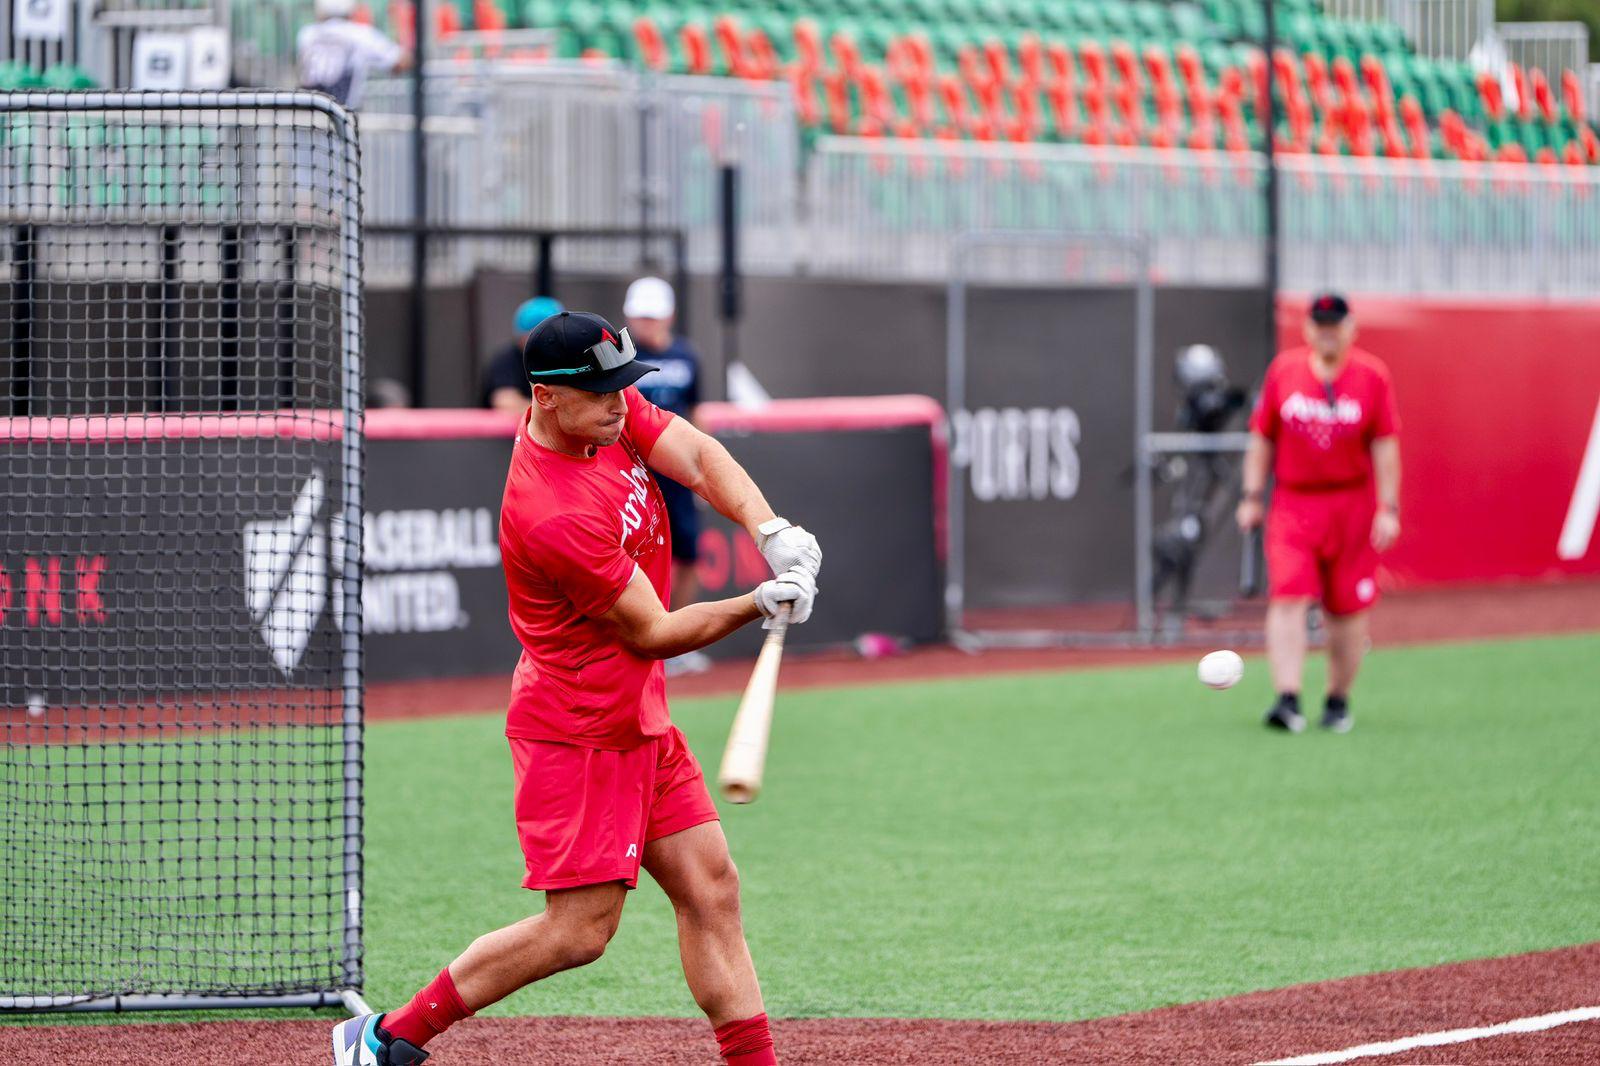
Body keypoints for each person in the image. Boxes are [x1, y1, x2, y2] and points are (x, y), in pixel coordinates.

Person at [333, 310, 823, 1066]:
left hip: (636, 715)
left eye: (624, 390)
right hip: (580, 730)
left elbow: (691, 451)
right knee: (578, 933)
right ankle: (388, 1037)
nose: (621, 406)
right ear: (546, 397)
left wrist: (769, 529)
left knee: (710, 886)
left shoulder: (604, 417)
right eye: (602, 395)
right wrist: (754, 603)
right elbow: (653, 632)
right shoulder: (551, 511)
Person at [1236, 293, 1401, 734]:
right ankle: (1287, 698)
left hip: (1350, 503)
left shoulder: (1371, 376)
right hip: (1295, 501)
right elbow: (1262, 437)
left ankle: (1337, 699)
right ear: (1308, 329)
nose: (1327, 331)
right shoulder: (1284, 372)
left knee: (1346, 610)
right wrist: (1252, 495)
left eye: (1335, 323)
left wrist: (1388, 507)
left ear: (1351, 328)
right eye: (1319, 323)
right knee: (1288, 596)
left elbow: (1385, 443)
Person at [623, 276, 710, 674]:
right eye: (641, 317)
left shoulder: (688, 356)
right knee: (633, 556)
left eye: (653, 316)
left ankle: (681, 640)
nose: (648, 324)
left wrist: (704, 469)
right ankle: (645, 636)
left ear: (669, 316)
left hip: (675, 471)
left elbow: (696, 413)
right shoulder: (618, 355)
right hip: (634, 469)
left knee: (688, 551)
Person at [297, 0, 408, 110]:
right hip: (341, 114)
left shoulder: (307, 33)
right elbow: (400, 61)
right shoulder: (360, 34)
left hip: (307, 113)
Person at [481, 296, 564, 413]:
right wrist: (553, 411)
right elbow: (505, 402)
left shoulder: (564, 358)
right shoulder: (507, 359)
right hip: (511, 430)